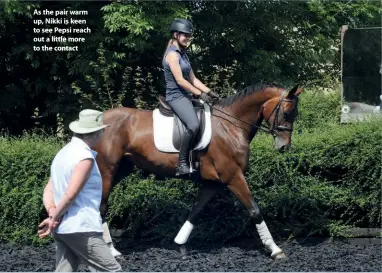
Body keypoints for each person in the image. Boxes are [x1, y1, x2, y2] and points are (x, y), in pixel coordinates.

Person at [38, 109, 122, 272]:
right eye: (103, 129)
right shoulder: (85, 158)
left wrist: (52, 214)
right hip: (82, 228)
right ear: (96, 132)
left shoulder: (62, 154)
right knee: (113, 270)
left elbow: (49, 190)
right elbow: (70, 195)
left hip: (62, 229)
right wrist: (54, 218)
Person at [162, 18, 220, 175]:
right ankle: (181, 163)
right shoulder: (172, 55)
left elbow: (193, 79)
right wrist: (199, 94)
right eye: (185, 35)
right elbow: (180, 81)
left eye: (189, 35)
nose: (188, 38)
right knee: (193, 125)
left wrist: (210, 92)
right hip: (176, 96)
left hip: (186, 96)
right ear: (176, 34)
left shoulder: (183, 55)